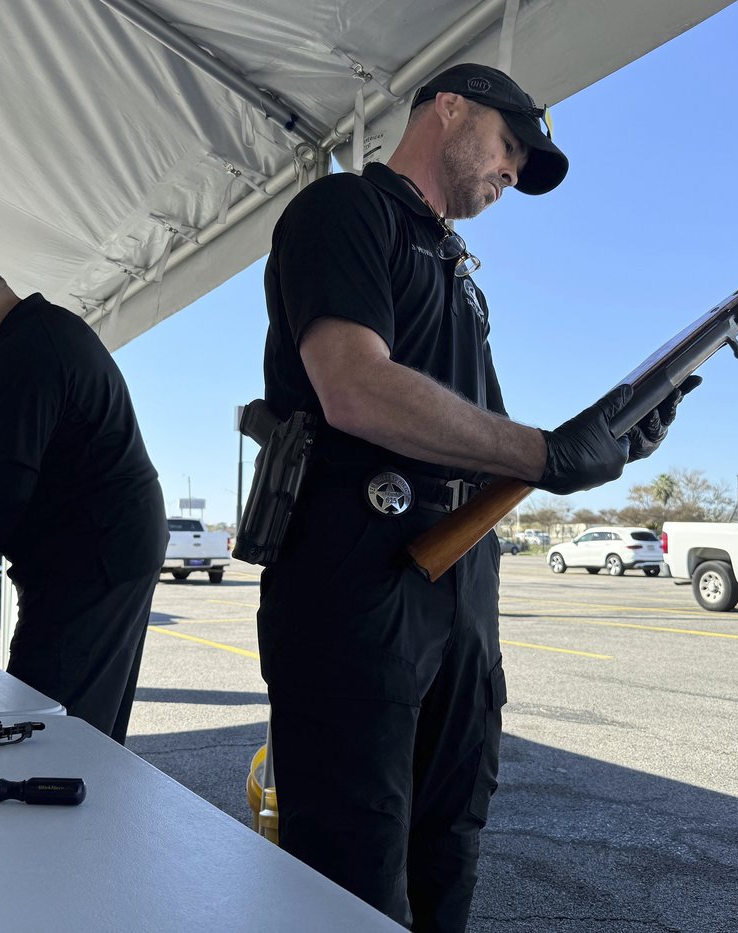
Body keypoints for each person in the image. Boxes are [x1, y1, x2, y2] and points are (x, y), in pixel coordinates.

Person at [254, 64, 698, 932]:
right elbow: (355, 388)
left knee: (447, 849)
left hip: (459, 589)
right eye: (509, 146)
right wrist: (543, 450)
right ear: (447, 106)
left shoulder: (459, 272)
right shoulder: (346, 211)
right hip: (356, 585)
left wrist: (605, 443)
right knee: (351, 864)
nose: (512, 172)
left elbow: (475, 436)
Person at [0, 257, 167, 744]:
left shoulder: (26, 350)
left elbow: (3, 490)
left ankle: (69, 814)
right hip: (106, 547)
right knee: (82, 721)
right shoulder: (44, 332)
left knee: (45, 725)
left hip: (95, 556)